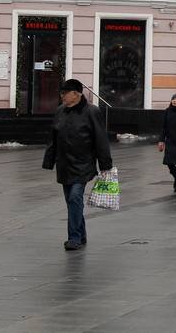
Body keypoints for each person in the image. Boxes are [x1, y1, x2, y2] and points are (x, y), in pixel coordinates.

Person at [42, 79, 112, 251]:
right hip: (64, 164)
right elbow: (53, 138)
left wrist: (105, 165)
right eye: (61, 93)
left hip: (83, 164)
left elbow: (101, 139)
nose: (62, 96)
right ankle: (81, 233)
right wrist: (49, 160)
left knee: (74, 197)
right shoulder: (60, 111)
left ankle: (73, 238)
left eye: (65, 93)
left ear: (76, 94)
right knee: (71, 201)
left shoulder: (91, 112)